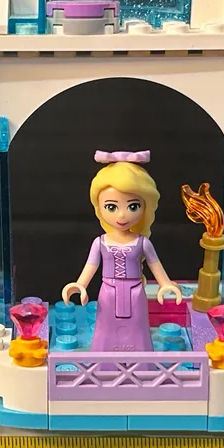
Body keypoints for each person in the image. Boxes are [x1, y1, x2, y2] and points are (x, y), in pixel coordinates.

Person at [61, 150, 183, 352]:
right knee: (105, 329)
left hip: (135, 292)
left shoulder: (142, 242)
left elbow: (155, 266)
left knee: (138, 330)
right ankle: (104, 364)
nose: (122, 215)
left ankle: (140, 364)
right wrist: (80, 284)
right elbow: (90, 266)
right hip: (108, 292)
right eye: (111, 207)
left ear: (145, 207)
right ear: (99, 208)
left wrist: (165, 284)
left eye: (133, 206)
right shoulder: (100, 242)